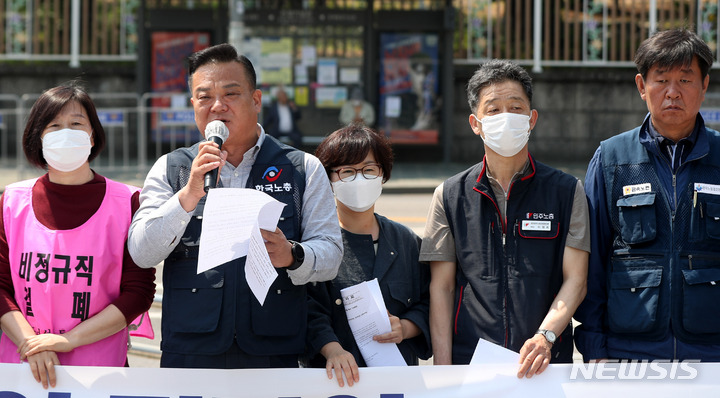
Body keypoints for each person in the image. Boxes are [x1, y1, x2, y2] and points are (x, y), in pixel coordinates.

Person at [127, 43, 343, 369]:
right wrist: (187, 196)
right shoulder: (171, 169)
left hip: (275, 351)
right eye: (204, 97)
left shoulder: (302, 168)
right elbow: (141, 252)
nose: (216, 106)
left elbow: (331, 254)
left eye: (230, 94)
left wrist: (293, 255)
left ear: (255, 100)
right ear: (193, 106)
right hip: (191, 352)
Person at [420, 59, 589, 377]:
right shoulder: (450, 195)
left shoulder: (567, 191)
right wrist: (442, 371)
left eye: (516, 108)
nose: (506, 118)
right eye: (494, 110)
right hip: (471, 365)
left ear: (532, 118)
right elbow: (441, 289)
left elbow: (576, 280)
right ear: (475, 123)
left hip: (546, 365)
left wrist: (546, 336)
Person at [575, 28, 720, 361]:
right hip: (629, 351)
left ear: (704, 85)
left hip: (711, 353)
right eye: (661, 80)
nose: (673, 93)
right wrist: (594, 345)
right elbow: (592, 260)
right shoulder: (611, 158)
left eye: (685, 81)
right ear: (642, 86)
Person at [0, 83, 155, 389]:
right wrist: (32, 344)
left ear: (93, 134)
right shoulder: (9, 202)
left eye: (76, 124)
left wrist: (67, 341)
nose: (65, 133)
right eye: (53, 125)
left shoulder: (128, 202)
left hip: (98, 372)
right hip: (20, 371)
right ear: (38, 136)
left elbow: (137, 293)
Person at [305, 123, 431, 387]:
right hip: (335, 382)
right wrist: (332, 349)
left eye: (368, 170)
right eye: (347, 171)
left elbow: (429, 301)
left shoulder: (406, 241)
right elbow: (307, 309)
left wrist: (406, 328)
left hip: (397, 383)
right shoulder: (317, 244)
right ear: (328, 179)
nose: (359, 179)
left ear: (382, 175)